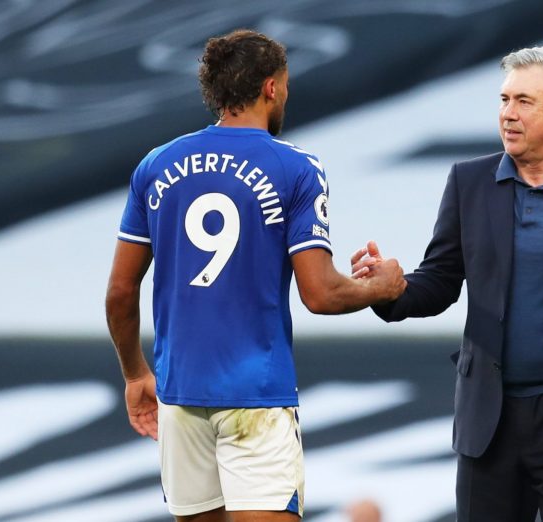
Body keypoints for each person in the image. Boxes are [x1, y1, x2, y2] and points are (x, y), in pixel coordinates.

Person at [105, 29, 406, 522]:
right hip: (256, 397)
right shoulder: (296, 168)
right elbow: (321, 293)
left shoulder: (156, 166)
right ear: (270, 87)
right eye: (284, 85)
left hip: (180, 396)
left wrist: (137, 373)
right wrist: (383, 285)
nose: (285, 94)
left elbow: (120, 292)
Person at [352, 46, 543, 521]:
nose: (507, 114)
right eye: (503, 100)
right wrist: (391, 290)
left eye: (524, 102)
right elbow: (440, 281)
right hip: (488, 419)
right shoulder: (468, 182)